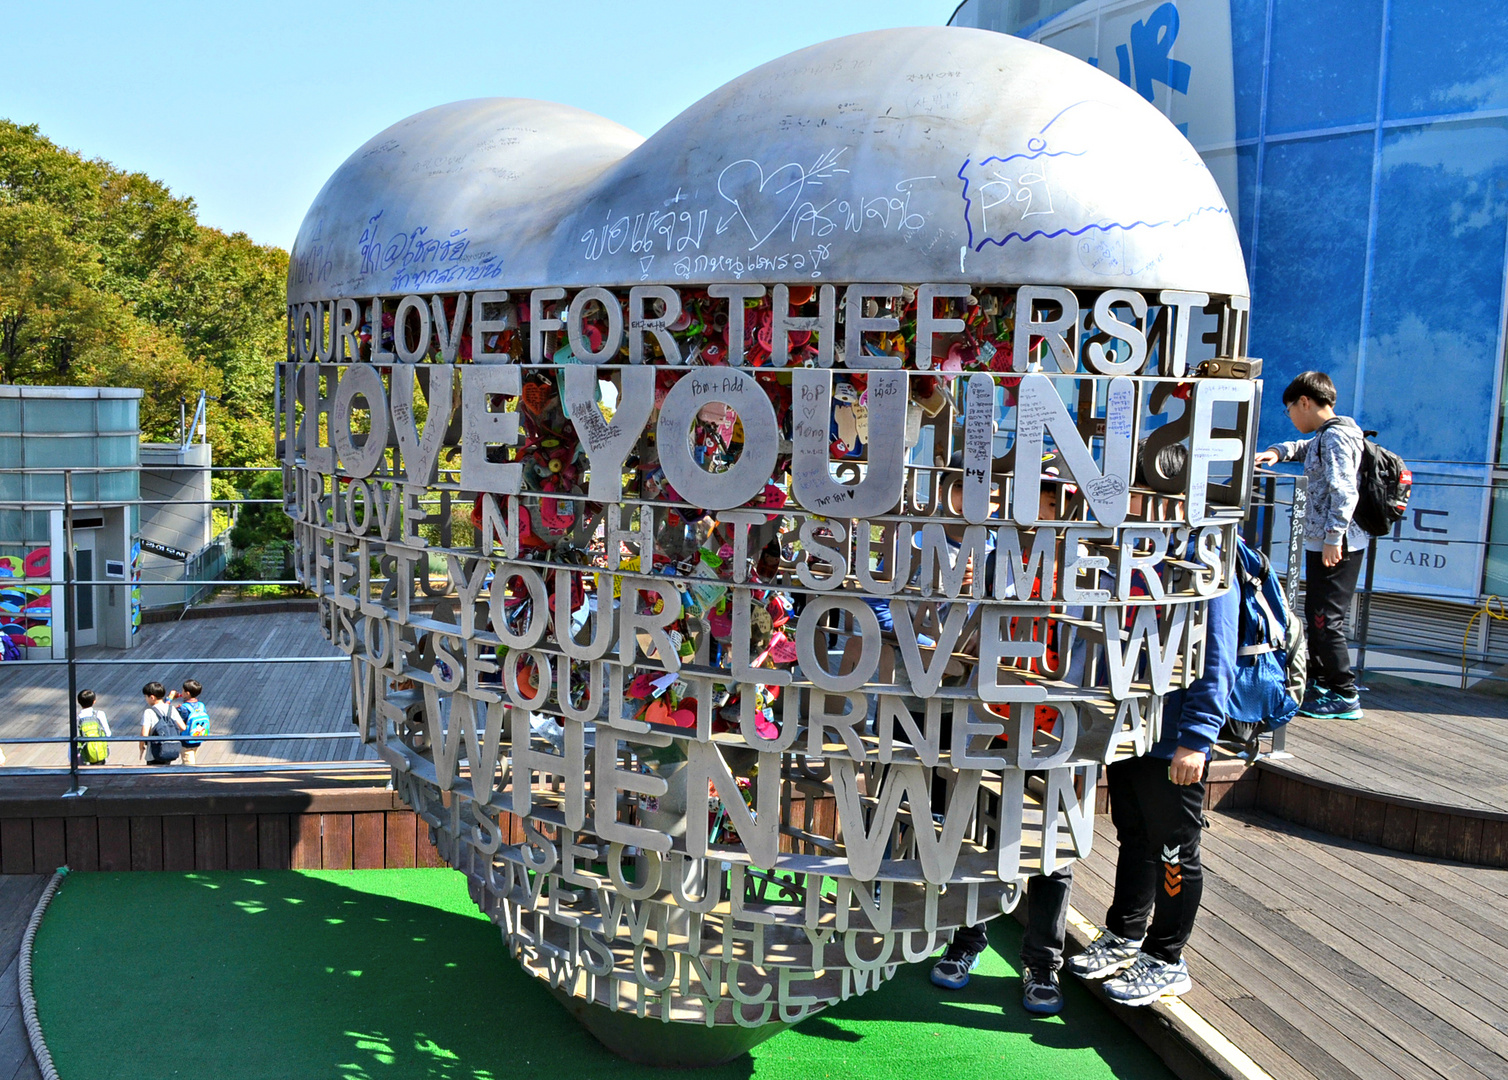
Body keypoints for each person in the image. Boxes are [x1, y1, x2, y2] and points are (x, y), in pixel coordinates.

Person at [1068, 443, 1237, 1006]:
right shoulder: (1136, 555)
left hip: (1174, 740)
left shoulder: (1208, 560)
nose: (1142, 505)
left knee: (1174, 847)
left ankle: (1168, 956)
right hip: (1131, 727)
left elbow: (1218, 657)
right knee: (1135, 835)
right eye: (1137, 495)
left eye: (1152, 496)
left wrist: (1198, 738)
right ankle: (1124, 931)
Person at [930, 456, 1075, 1016]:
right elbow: (960, 634)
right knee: (976, 826)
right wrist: (958, 594)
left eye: (1047, 498)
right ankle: (968, 940)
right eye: (1030, 497)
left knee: (1053, 841)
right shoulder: (995, 561)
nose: (1034, 508)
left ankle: (1042, 961)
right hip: (992, 713)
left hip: (1057, 722)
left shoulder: (1088, 563)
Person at [1253, 371, 1368, 720]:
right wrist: (1278, 451)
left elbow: (1345, 490)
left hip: (1337, 543)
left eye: (1290, 410)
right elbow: (1307, 447)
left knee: (1325, 619)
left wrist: (1335, 538)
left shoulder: (1335, 439)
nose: (1290, 416)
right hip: (1328, 540)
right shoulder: (1331, 434)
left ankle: (1344, 693)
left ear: (1304, 402)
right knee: (1317, 614)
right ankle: (1322, 683)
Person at [139, 681, 184, 765]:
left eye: (146, 696)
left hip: (153, 752)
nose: (146, 699)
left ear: (152, 697)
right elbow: (182, 727)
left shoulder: (149, 712)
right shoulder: (171, 709)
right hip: (169, 749)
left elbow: (144, 734)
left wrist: (141, 747)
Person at [169, 678, 209, 766]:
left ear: (187, 693)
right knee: (192, 756)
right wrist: (180, 696)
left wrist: (170, 698)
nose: (181, 692)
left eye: (182, 691)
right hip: (198, 737)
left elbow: (165, 710)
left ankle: (190, 776)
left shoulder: (183, 708)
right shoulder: (201, 705)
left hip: (186, 740)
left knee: (188, 763)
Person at [77, 688, 111, 765]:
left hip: (85, 755)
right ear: (94, 701)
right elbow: (108, 734)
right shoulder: (100, 714)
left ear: (79, 702)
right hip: (100, 753)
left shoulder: (78, 718)